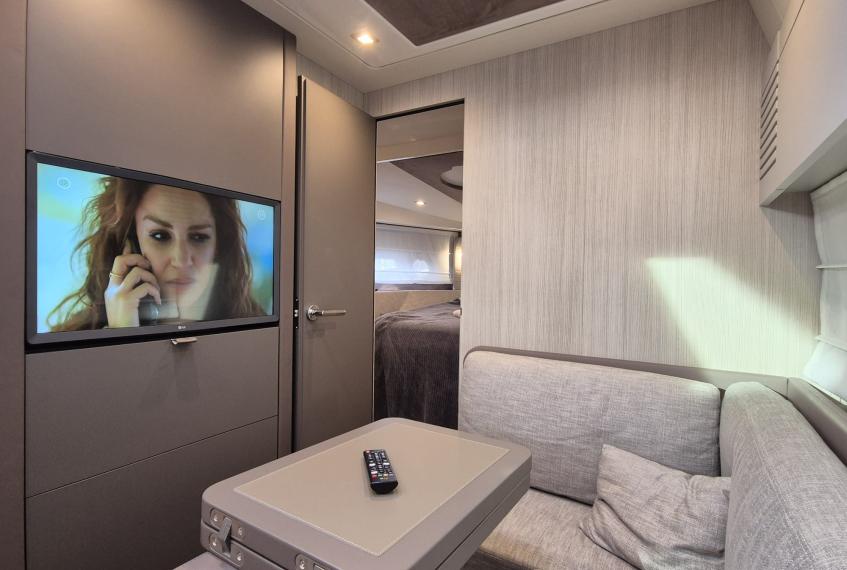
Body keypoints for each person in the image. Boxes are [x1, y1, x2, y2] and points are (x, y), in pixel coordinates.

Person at [49, 176, 266, 331]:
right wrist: (121, 332)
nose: (181, 260)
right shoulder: (72, 343)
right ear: (131, 244)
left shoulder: (258, 331)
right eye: (160, 236)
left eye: (199, 237)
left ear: (219, 246)